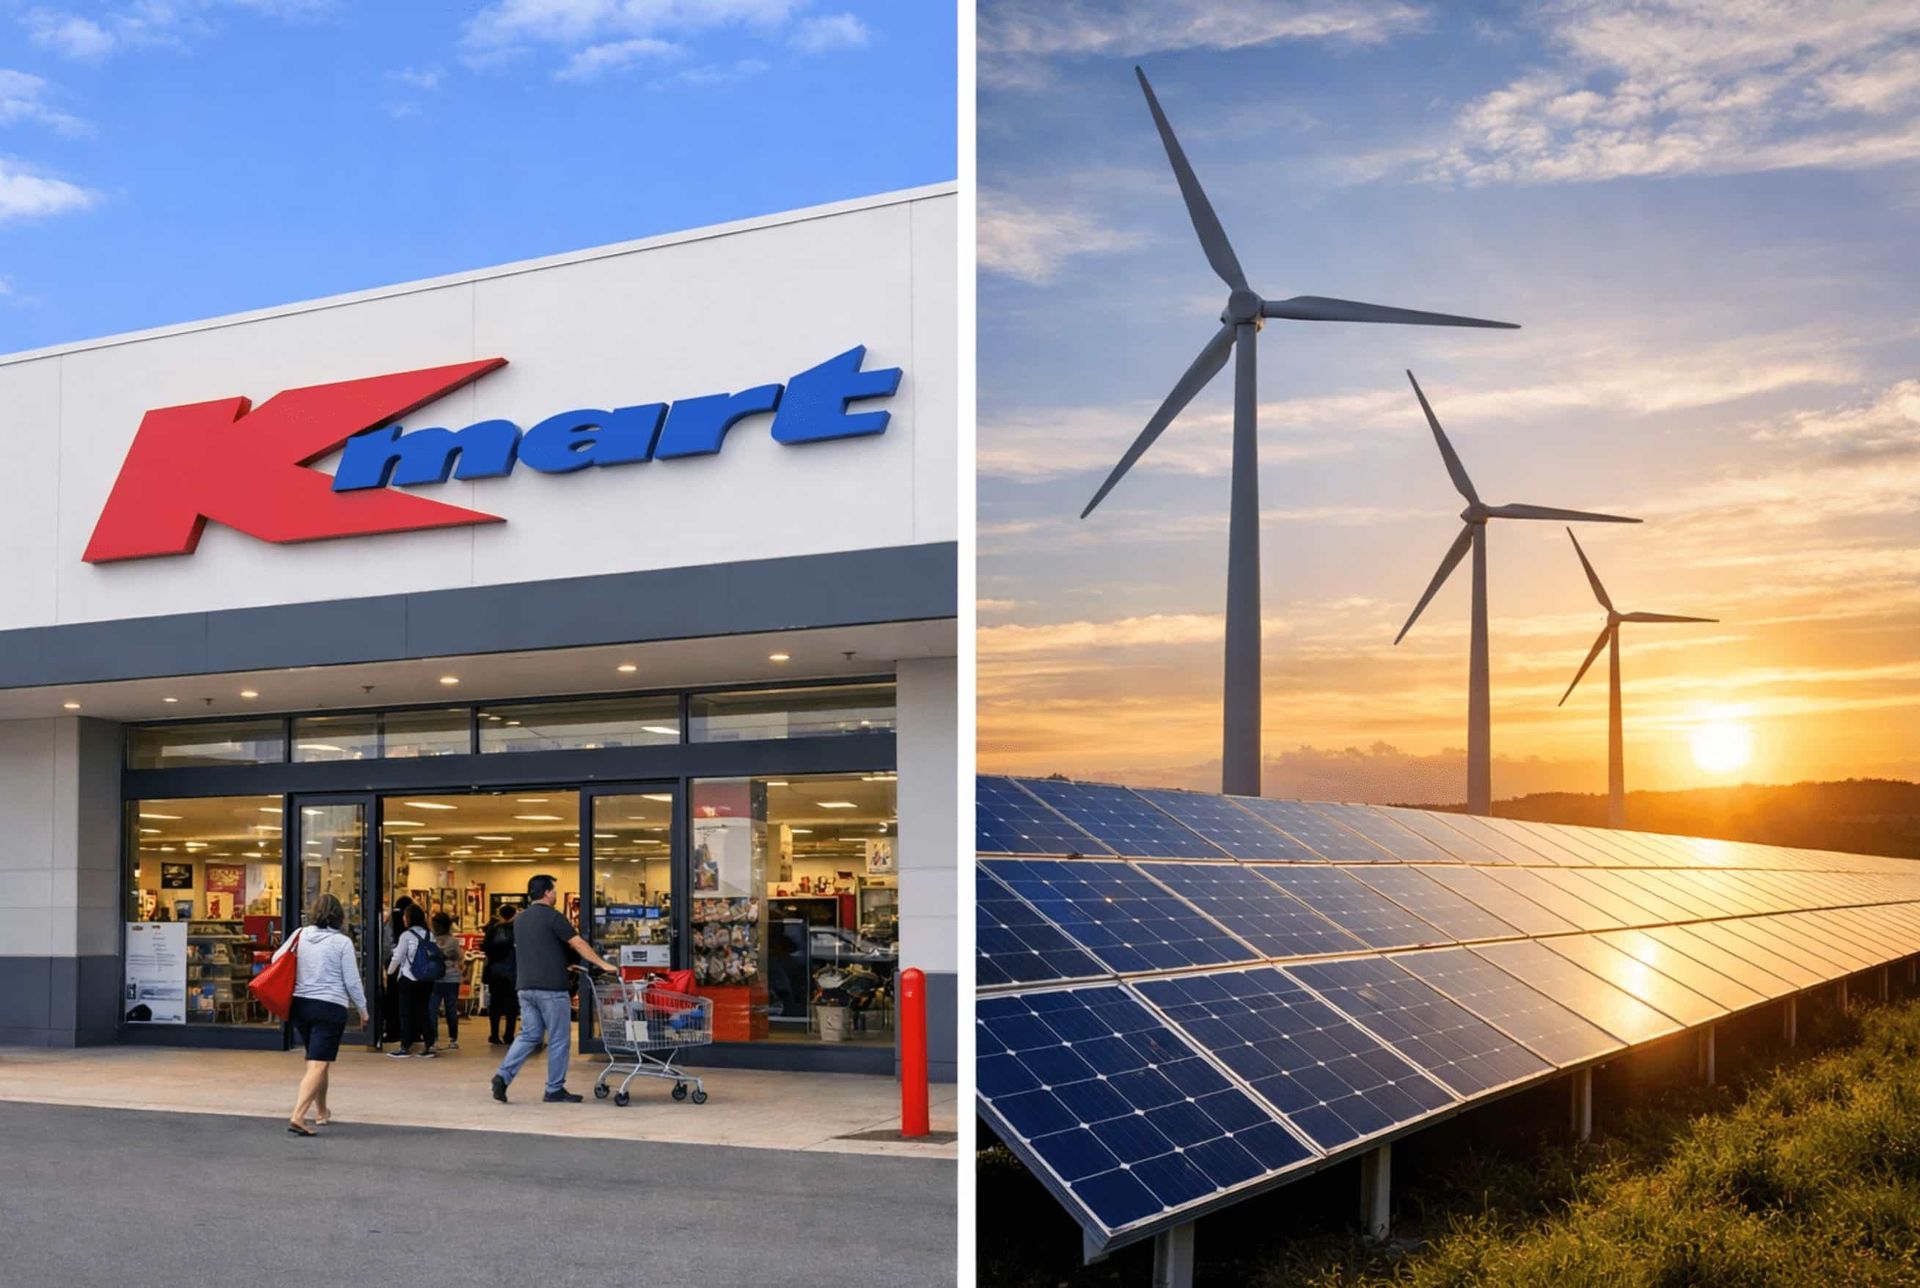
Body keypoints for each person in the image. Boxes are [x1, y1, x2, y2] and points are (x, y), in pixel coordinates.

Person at [490, 875, 617, 1104]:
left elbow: (540, 947)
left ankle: (503, 1075)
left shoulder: (520, 920)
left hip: (526, 987)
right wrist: (602, 964)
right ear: (547, 893)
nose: (556, 894)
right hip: (551, 989)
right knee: (559, 1038)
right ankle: (554, 1089)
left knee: (529, 1034)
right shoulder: (553, 917)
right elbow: (577, 943)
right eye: (554, 891)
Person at [274, 892, 367, 1136]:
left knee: (317, 1060)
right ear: (340, 917)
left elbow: (276, 958)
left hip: (301, 1005)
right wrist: (363, 1008)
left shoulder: (300, 934)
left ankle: (322, 1111)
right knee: (317, 1064)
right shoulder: (342, 943)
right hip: (330, 1006)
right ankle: (298, 1115)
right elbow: (352, 981)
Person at [385, 903, 439, 1058]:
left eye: (405, 916)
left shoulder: (406, 936)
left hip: (408, 978)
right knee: (423, 1011)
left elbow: (398, 957)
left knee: (405, 1013)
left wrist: (390, 972)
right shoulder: (430, 934)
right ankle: (429, 1045)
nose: (403, 918)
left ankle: (405, 1046)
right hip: (426, 979)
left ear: (409, 918)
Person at [426, 911, 466, 1051]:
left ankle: (437, 1040)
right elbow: (460, 958)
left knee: (435, 1009)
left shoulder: (431, 939)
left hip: (438, 978)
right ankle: (451, 1039)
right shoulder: (453, 941)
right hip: (450, 978)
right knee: (449, 1009)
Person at [484, 905, 519, 1046]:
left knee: (495, 1005)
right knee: (511, 1005)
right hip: (512, 972)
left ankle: (494, 1033)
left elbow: (486, 948)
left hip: (495, 972)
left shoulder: (493, 929)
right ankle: (509, 1034)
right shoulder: (517, 930)